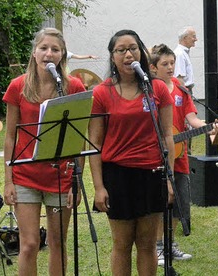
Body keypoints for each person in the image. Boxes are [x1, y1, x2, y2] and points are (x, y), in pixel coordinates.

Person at [89, 29, 175, 275]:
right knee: (122, 244)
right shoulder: (101, 92)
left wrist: (169, 177)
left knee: (147, 244)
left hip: (152, 173)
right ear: (112, 56)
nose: (128, 54)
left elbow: (167, 135)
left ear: (142, 52)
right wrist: (98, 186)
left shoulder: (157, 88)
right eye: (121, 50)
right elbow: (94, 142)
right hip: (117, 176)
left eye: (133, 48)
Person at [3, 27, 86, 276]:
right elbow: (9, 136)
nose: (49, 54)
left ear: (62, 55)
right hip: (26, 176)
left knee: (58, 243)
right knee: (29, 244)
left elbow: (77, 139)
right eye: (44, 48)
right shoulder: (18, 86)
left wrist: (77, 182)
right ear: (34, 52)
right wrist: (8, 180)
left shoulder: (73, 87)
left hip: (61, 176)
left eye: (55, 49)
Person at [150, 43, 218, 265]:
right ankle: (158, 245)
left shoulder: (182, 89)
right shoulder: (149, 89)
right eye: (165, 64)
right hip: (154, 156)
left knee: (179, 199)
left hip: (179, 155)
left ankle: (170, 245)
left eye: (172, 63)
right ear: (153, 67)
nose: (170, 67)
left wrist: (208, 126)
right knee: (160, 199)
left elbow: (192, 119)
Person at [173, 26, 197, 93]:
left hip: (186, 90)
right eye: (193, 36)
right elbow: (179, 78)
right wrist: (186, 96)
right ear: (185, 38)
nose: (196, 39)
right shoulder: (180, 54)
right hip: (184, 90)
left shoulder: (183, 53)